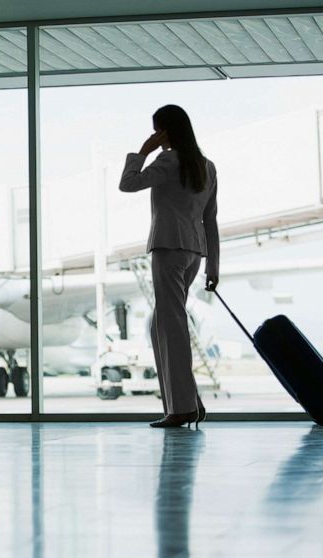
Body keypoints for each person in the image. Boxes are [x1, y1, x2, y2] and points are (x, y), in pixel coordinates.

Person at [119, 104, 219, 428]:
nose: (154, 137)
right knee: (160, 325)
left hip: (168, 248)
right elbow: (210, 220)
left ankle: (182, 409)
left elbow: (128, 183)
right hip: (193, 253)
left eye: (156, 131)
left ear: (165, 131)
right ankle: (187, 403)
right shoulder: (207, 166)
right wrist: (213, 267)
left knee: (171, 328)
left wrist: (142, 151)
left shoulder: (167, 159)